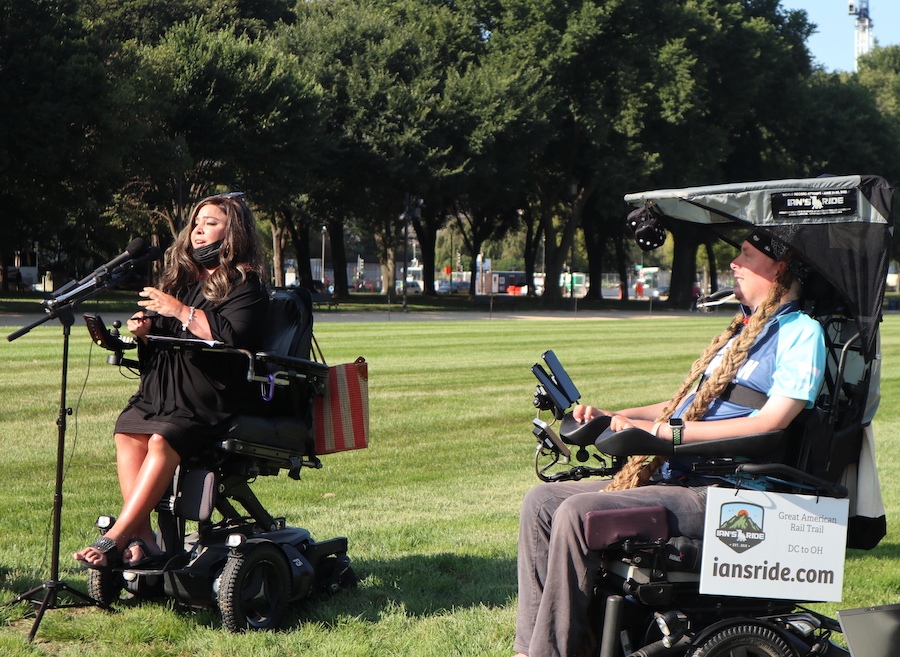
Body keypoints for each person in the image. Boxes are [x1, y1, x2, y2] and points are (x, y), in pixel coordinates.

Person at [513, 231, 826, 657]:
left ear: (780, 268)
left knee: (573, 513)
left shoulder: (801, 333)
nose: (733, 263)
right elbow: (684, 405)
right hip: (677, 472)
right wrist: (614, 416)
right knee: (541, 503)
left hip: (723, 489)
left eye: (745, 256)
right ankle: (531, 649)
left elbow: (770, 424)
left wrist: (666, 434)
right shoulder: (745, 331)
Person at [74, 192, 269, 570]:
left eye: (210, 223)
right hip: (164, 388)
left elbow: (233, 337)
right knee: (127, 431)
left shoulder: (246, 284)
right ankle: (146, 538)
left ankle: (116, 537)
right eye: (196, 224)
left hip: (210, 393)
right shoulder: (182, 281)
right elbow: (167, 333)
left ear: (234, 233)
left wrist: (178, 311)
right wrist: (145, 330)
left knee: (163, 438)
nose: (198, 231)